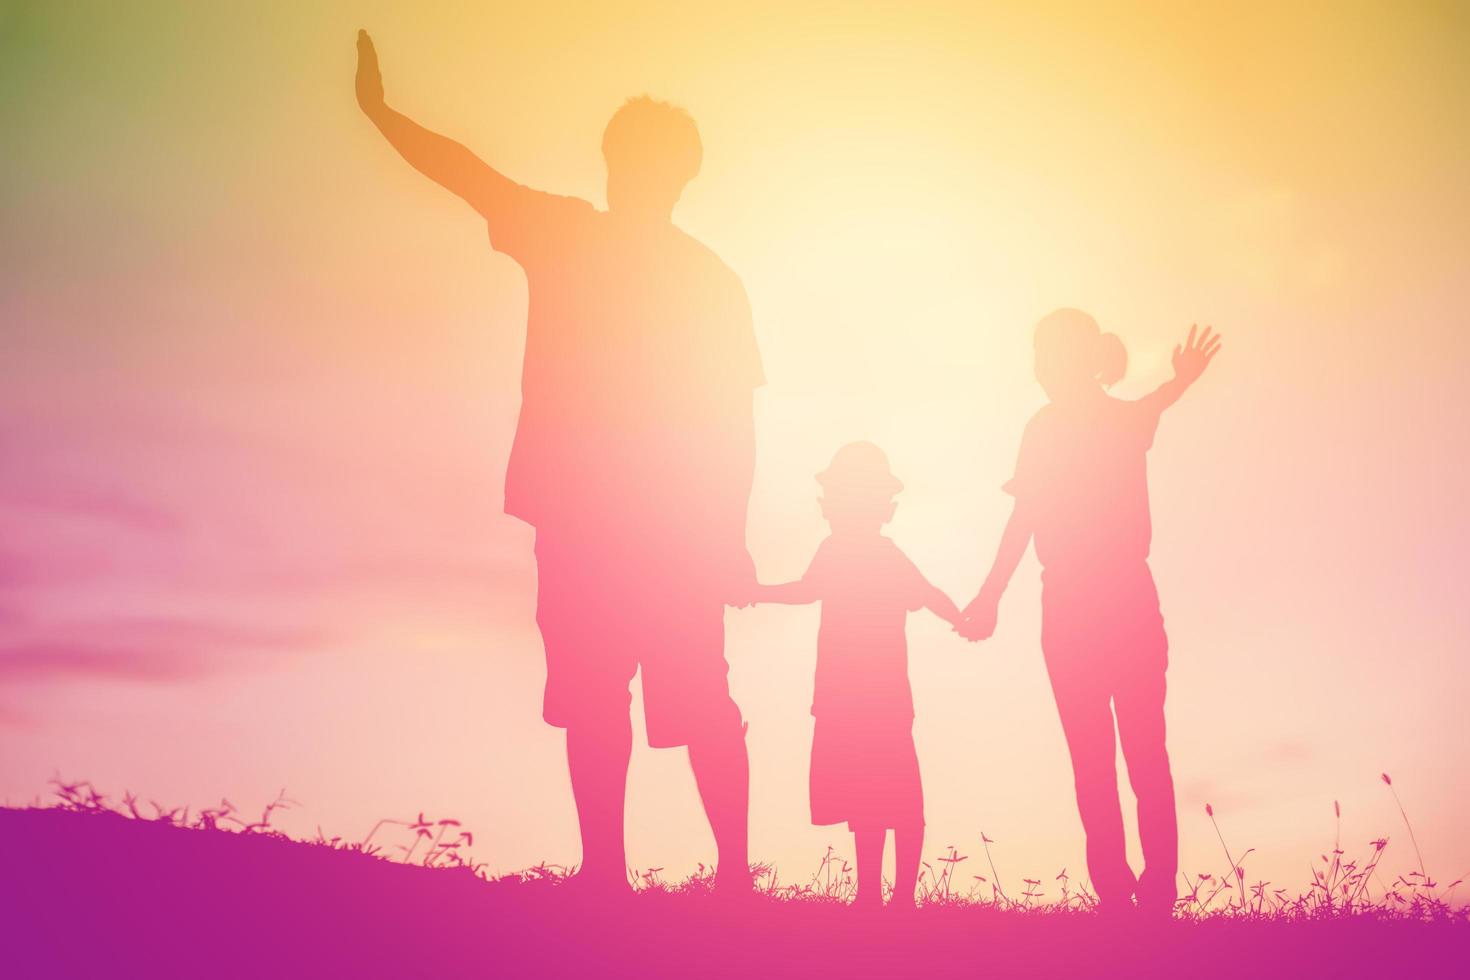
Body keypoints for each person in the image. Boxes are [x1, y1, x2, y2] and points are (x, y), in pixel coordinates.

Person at [355, 31, 764, 895]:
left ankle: (703, 878)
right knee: (615, 693)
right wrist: (385, 117)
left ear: (667, 172)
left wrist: (725, 534)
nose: (640, 174)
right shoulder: (649, 258)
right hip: (613, 519)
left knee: (661, 696)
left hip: (645, 522)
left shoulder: (659, 264)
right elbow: (468, 172)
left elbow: (732, 420)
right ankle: (635, 877)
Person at [959, 310, 1221, 917]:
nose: (1036, 365)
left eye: (1043, 352)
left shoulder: (1050, 428)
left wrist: (992, 596)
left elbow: (1023, 519)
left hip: (1086, 605)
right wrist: (1182, 379)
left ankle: (1131, 896)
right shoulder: (1102, 420)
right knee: (1135, 755)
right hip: (1111, 602)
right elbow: (1157, 402)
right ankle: (1143, 895)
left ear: (1069, 360)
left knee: (1105, 760)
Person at [756, 442, 963, 909]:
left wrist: (755, 591)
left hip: (855, 697)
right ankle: (886, 897)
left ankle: (886, 897)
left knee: (880, 798)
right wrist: (962, 619)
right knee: (885, 795)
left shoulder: (842, 552)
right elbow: (927, 594)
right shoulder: (881, 555)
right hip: (875, 697)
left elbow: (805, 592)